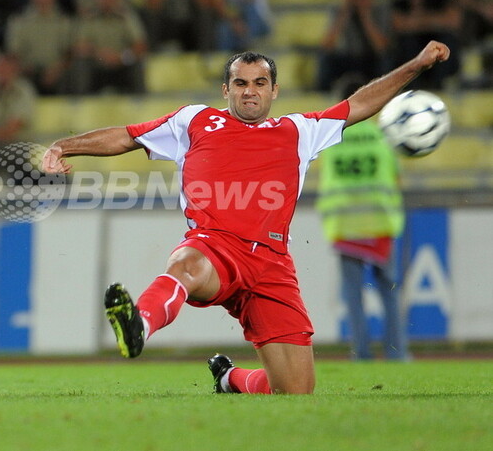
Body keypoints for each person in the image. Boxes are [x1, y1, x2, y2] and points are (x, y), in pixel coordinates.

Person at [42, 40, 450, 394]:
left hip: (272, 264)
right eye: (240, 83)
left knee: (295, 389)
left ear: (274, 90)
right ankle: (139, 327)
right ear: (226, 89)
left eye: (259, 83)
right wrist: (64, 146)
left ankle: (230, 379)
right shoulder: (195, 121)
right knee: (186, 264)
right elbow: (127, 136)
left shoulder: (300, 130)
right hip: (215, 247)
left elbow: (360, 103)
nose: (249, 92)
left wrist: (415, 65)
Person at [315, 80, 410, 361]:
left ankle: (361, 354)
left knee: (354, 297)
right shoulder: (383, 137)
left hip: (345, 225)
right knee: (389, 292)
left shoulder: (331, 139)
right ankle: (397, 353)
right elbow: (396, 178)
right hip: (379, 223)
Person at [316, 0, 390, 91]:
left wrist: (365, 17)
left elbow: (381, 47)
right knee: (325, 58)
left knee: (386, 59)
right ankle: (322, 95)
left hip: (370, 58)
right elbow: (327, 45)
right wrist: (344, 14)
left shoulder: (379, 10)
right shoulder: (339, 11)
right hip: (346, 58)